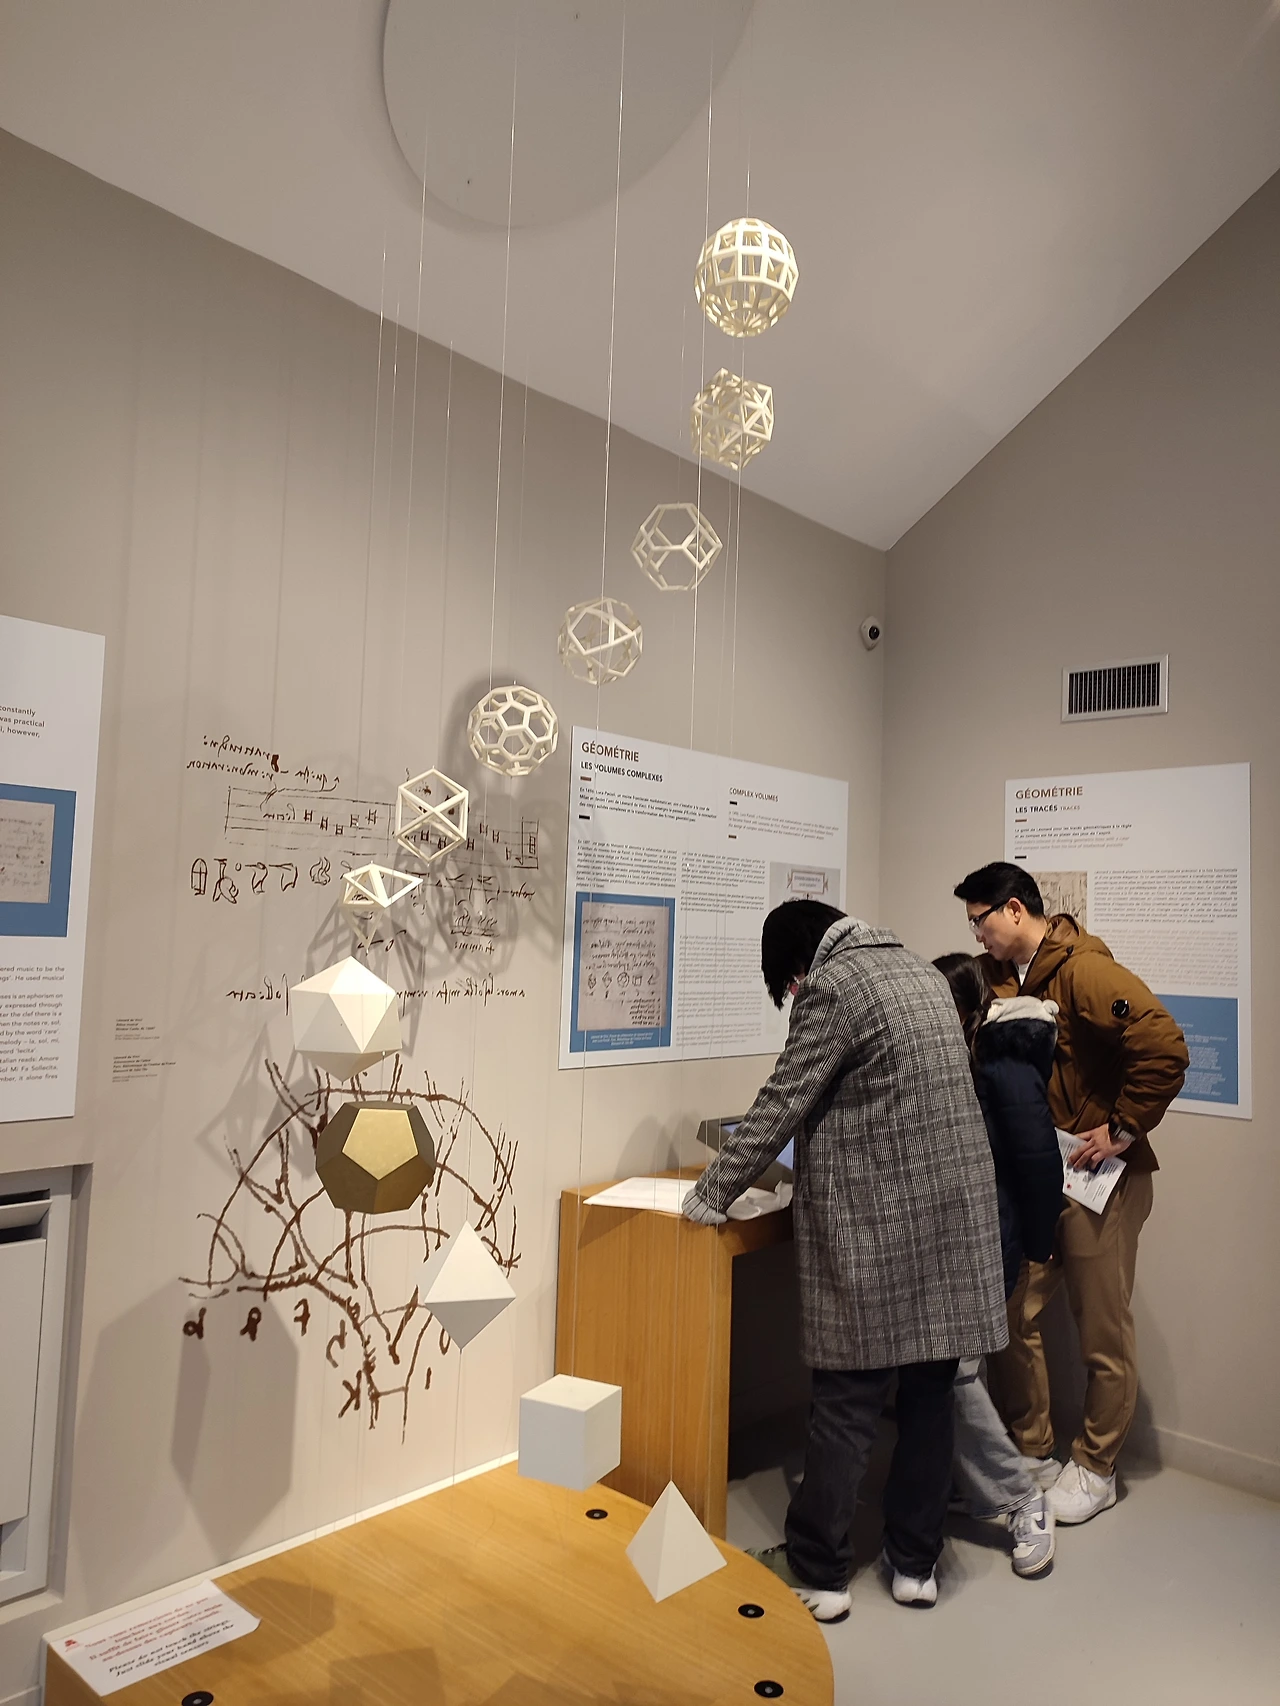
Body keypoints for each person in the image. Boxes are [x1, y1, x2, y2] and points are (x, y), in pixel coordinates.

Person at [683, 900, 1008, 1622]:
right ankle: (915, 1564)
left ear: (799, 962)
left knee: (845, 1404)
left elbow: (783, 1100)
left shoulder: (836, 986)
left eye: (788, 983)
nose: (794, 993)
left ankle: (820, 1572)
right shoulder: (921, 974)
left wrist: (712, 1192)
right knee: (929, 1399)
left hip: (878, 1231)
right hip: (949, 1226)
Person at [954, 863, 1188, 1524]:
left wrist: (1122, 1128)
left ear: (1016, 910)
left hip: (1099, 1184)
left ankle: (1097, 1467)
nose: (978, 934)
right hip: (1042, 1176)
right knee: (1012, 1311)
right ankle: (1032, 1450)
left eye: (981, 920)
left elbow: (1164, 1047)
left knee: (1101, 1328)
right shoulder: (1000, 975)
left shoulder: (1085, 971)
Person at [934, 952, 1065, 1578]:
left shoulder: (1001, 1058)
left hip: (993, 1231)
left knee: (955, 1368)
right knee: (962, 1365)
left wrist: (1038, 1239)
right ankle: (973, 1481)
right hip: (965, 1231)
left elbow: (1035, 1154)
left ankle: (1020, 1497)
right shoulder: (968, 1054)